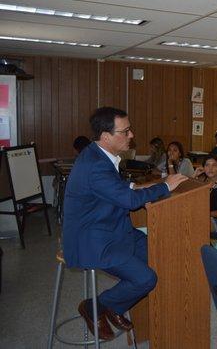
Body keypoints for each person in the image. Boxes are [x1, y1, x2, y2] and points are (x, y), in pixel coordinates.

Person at [62, 107, 187, 340]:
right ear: (106, 136)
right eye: (126, 131)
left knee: (162, 254)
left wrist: (147, 187)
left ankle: (116, 307)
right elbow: (129, 201)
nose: (131, 135)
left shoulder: (99, 155)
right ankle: (95, 306)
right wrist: (165, 186)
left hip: (111, 228)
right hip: (93, 239)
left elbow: (118, 191)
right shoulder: (95, 164)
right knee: (146, 278)